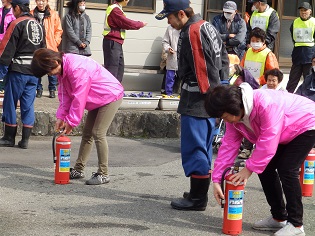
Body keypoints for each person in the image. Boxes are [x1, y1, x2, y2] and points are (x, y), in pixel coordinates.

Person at [205, 83, 315, 236]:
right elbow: (228, 146)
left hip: (306, 123)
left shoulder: (265, 103)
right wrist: (217, 180)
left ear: (234, 107)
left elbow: (268, 139)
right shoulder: (235, 119)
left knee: (287, 168)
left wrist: (248, 169)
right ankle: (279, 217)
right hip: (285, 131)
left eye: (224, 117)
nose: (226, 121)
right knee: (265, 168)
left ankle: (296, 225)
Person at [156, 0, 229, 211]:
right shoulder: (208, 26)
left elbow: (203, 71)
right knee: (204, 147)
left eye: (169, 17)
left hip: (198, 100)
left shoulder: (192, 32)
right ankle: (198, 191)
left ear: (181, 13)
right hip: (209, 99)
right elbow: (223, 61)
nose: (169, 22)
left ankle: (197, 198)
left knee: (195, 147)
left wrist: (213, 101)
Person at [31, 48, 124, 185]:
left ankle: (103, 174)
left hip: (110, 95)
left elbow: (79, 97)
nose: (49, 74)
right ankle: (79, 170)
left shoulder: (77, 68)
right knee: (87, 134)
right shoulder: (62, 70)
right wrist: (61, 117)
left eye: (49, 70)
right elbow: (65, 96)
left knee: (98, 133)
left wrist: (71, 122)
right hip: (97, 98)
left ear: (55, 62)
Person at [0, 0, 45, 149]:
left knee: (10, 103)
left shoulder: (17, 23)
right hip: (33, 72)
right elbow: (43, 50)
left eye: (13, 8)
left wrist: (2, 68)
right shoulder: (38, 24)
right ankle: (25, 140)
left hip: (18, 71)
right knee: (28, 105)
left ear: (18, 7)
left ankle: (9, 137)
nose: (13, 11)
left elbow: (6, 47)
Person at [102, 0, 147, 82]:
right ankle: (111, 91)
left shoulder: (117, 8)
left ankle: (116, 90)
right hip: (112, 41)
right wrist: (140, 24)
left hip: (116, 42)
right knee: (113, 68)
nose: (128, 1)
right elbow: (126, 22)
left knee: (119, 67)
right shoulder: (115, 9)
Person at [31, 0, 63, 99]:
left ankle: (52, 89)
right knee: (38, 66)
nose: (41, 3)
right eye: (39, 1)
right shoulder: (32, 14)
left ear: (46, 2)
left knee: (52, 66)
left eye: (43, 1)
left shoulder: (53, 14)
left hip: (50, 45)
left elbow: (58, 30)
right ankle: (39, 89)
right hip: (36, 45)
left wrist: (55, 41)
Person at [286, 2, 315, 93]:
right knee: (292, 80)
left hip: (310, 55)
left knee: (308, 80)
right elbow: (293, 37)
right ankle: (287, 99)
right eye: (301, 10)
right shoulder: (295, 22)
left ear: (310, 11)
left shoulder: (314, 22)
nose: (303, 12)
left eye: (305, 10)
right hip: (297, 54)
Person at [0, 0, 16, 93]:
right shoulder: (0, 11)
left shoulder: (14, 13)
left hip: (8, 44)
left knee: (5, 66)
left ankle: (3, 88)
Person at [162, 25, 180, 96]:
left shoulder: (188, 27)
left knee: (184, 79)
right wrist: (168, 48)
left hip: (184, 57)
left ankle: (182, 96)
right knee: (170, 77)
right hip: (172, 56)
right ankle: (168, 95)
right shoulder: (170, 28)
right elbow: (165, 42)